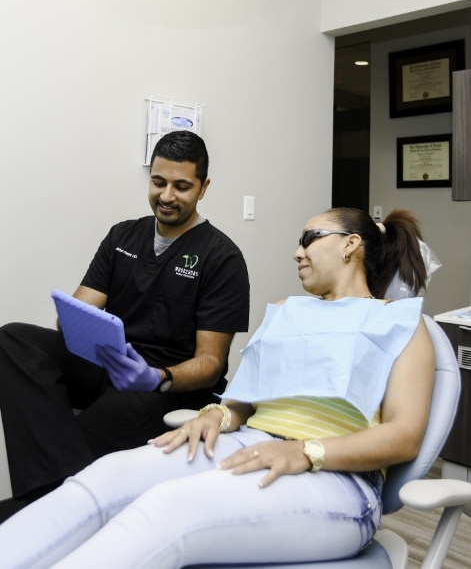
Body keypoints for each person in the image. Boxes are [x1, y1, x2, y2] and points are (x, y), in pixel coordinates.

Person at [0, 207, 435, 568]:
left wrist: (306, 451)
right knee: (102, 477)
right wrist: (215, 416)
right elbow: (243, 402)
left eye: (309, 238)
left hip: (338, 478)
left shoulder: (400, 322)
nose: (296, 252)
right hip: (248, 443)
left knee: (167, 509)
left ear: (350, 244)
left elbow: (404, 434)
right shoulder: (287, 311)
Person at [0, 130, 250, 505]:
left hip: (163, 384)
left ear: (203, 188)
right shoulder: (122, 236)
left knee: (100, 420)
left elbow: (211, 364)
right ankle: (60, 496)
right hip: (109, 364)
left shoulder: (222, 258)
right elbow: (80, 309)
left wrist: (157, 378)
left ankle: (45, 504)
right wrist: (75, 326)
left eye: (181, 186)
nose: (166, 196)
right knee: (14, 338)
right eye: (158, 182)